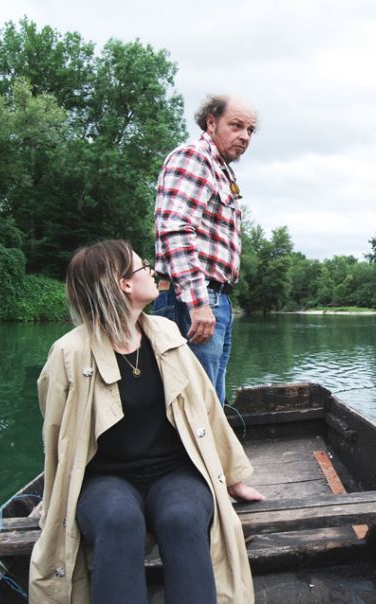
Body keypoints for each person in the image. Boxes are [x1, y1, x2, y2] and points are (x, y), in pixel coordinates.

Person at [29, 240, 265, 604]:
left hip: (174, 472)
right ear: (123, 284)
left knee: (183, 517)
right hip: (106, 478)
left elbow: (207, 410)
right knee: (119, 520)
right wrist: (52, 499)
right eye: (143, 267)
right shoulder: (69, 353)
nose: (153, 271)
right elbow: (56, 435)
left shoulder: (167, 335)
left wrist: (233, 479)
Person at [153, 94, 257, 406]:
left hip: (215, 298)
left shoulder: (221, 169)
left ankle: (209, 456)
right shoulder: (194, 158)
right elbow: (176, 229)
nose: (244, 137)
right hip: (193, 300)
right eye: (236, 126)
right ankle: (194, 457)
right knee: (194, 405)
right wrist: (199, 303)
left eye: (250, 130)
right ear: (211, 122)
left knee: (210, 400)